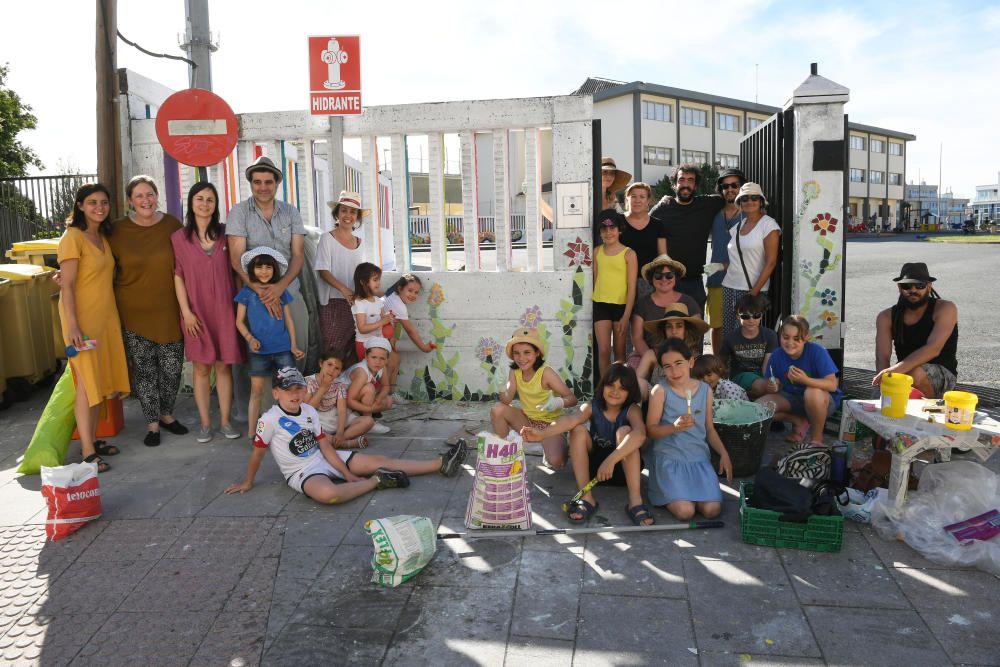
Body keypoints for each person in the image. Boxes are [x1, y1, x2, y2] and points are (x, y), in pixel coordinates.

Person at [224, 366, 468, 505]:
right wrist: (248, 481)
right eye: (288, 390)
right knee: (329, 495)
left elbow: (325, 447)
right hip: (301, 473)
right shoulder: (269, 419)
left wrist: (347, 473)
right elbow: (257, 454)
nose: (295, 394)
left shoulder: (308, 410)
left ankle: (441, 464)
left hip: (325, 457)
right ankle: (377, 481)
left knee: (380, 460)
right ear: (276, 393)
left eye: (298, 388)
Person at [57, 183, 131, 472]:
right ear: (80, 206)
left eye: (103, 202)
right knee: (87, 385)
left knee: (98, 383)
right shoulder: (72, 237)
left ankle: (94, 439)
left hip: (105, 321)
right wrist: (73, 325)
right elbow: (69, 285)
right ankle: (87, 451)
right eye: (92, 202)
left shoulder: (100, 236)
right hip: (83, 325)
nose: (99, 207)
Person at [522, 363, 650, 525]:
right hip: (594, 473)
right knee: (577, 430)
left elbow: (640, 435)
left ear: (630, 392)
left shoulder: (632, 410)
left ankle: (635, 501)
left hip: (622, 470)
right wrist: (542, 433)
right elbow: (570, 420)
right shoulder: (592, 406)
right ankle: (586, 496)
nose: (615, 391)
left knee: (625, 432)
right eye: (611, 385)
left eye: (622, 388)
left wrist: (610, 460)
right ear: (602, 386)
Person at [110, 175, 186, 447]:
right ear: (130, 200)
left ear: (157, 196)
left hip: (170, 309)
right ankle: (152, 424)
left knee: (171, 369)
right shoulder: (116, 230)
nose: (145, 200)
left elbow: (188, 261)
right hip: (133, 311)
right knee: (144, 372)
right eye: (139, 195)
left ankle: (167, 414)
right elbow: (96, 260)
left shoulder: (172, 225)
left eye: (150, 194)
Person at [172, 182, 245, 443]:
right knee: (201, 368)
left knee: (224, 367)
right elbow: (178, 276)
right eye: (200, 199)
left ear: (216, 205)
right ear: (191, 203)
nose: (205, 204)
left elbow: (237, 272)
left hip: (225, 310)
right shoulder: (179, 238)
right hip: (196, 313)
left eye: (210, 199)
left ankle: (225, 421)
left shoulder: (227, 234)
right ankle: (205, 424)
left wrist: (240, 310)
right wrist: (186, 313)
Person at [227, 156, 309, 367]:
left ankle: (293, 397)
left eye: (268, 182)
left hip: (288, 289)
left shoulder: (290, 211)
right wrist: (262, 291)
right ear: (251, 183)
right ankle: (261, 401)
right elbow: (236, 259)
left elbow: (298, 255)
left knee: (297, 345)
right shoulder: (239, 212)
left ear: (277, 183)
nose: (263, 187)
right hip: (254, 294)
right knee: (258, 354)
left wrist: (279, 288)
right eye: (257, 182)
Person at [645, 338, 732, 520]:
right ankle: (671, 492)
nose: (674, 371)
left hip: (698, 459)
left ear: (691, 362)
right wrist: (672, 427)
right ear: (662, 368)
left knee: (712, 510)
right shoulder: (660, 391)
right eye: (667, 366)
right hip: (670, 459)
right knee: (686, 512)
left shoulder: (705, 390)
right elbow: (651, 430)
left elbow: (709, 429)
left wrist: (723, 453)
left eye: (679, 363)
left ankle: (689, 494)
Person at [235, 247, 305, 436]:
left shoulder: (280, 292)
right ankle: (252, 433)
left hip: (283, 349)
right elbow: (239, 322)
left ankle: (289, 430)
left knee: (289, 390)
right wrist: (250, 339)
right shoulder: (247, 292)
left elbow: (289, 320)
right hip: (258, 351)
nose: (264, 271)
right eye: (259, 267)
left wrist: (293, 345)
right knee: (256, 392)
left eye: (268, 267)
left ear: (275, 270)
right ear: (252, 270)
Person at [490, 328, 577, 469]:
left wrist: (558, 402)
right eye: (516, 353)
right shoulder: (515, 370)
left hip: (550, 425)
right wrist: (501, 387)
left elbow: (572, 399)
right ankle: (504, 455)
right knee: (497, 410)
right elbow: (506, 401)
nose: (521, 358)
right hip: (528, 421)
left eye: (527, 352)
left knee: (556, 462)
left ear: (537, 353)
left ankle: (553, 443)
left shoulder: (546, 372)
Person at [873, 262, 958, 398]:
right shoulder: (886, 316)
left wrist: (893, 371)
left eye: (919, 286)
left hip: (941, 373)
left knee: (914, 375)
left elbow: (933, 348)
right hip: (904, 372)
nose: (913, 290)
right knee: (882, 396)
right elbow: (882, 356)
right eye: (907, 286)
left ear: (929, 286)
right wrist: (882, 383)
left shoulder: (945, 308)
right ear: (899, 287)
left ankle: (934, 408)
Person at [755, 315, 842, 447]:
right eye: (786, 337)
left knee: (812, 392)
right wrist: (774, 386)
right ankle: (798, 421)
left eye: (796, 338)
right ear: (780, 335)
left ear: (806, 337)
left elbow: (832, 385)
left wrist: (805, 380)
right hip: (792, 397)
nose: (790, 343)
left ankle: (816, 440)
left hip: (821, 401)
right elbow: (773, 384)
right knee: (758, 408)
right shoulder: (776, 355)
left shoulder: (816, 351)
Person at [650, 164, 724, 314]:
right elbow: (643, 225)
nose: (685, 184)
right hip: (667, 280)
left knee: (696, 331)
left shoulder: (707, 204)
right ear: (674, 184)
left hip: (694, 281)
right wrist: (657, 204)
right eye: (681, 179)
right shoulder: (663, 208)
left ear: (695, 185)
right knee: (668, 330)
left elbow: (733, 199)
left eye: (690, 180)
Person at [719, 182, 781, 335]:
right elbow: (737, 259)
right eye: (745, 199)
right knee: (730, 334)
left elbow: (771, 262)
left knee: (748, 335)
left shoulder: (768, 225)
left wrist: (753, 292)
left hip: (752, 290)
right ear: (740, 203)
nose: (750, 201)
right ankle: (730, 360)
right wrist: (720, 266)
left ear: (761, 201)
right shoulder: (737, 227)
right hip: (729, 286)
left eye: (754, 198)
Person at [315, 191, 368, 360]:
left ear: (357, 217)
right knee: (332, 351)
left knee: (354, 351)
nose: (348, 215)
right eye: (344, 210)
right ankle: (328, 386)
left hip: (356, 304)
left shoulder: (361, 243)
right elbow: (323, 271)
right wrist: (344, 290)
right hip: (332, 303)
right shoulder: (326, 239)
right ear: (336, 213)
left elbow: (362, 273)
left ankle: (348, 386)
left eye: (353, 212)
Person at [704, 168, 746, 353]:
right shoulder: (713, 212)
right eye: (725, 186)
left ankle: (737, 369)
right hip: (717, 279)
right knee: (717, 326)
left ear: (741, 187)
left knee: (742, 326)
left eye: (734, 185)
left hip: (742, 281)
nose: (730, 189)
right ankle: (717, 367)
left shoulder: (751, 212)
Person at [592, 210, 637, 379]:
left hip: (621, 307)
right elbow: (596, 280)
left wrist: (626, 316)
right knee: (603, 350)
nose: (608, 232)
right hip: (601, 305)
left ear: (619, 230)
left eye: (612, 228)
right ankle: (604, 387)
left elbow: (631, 287)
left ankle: (620, 386)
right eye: (604, 228)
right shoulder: (597, 252)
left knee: (619, 353)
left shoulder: (629, 254)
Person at [630, 254, 701, 360]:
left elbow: (696, 334)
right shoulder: (642, 304)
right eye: (658, 275)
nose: (664, 279)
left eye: (669, 275)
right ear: (651, 278)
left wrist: (681, 358)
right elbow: (637, 338)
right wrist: (653, 360)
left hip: (683, 355)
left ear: (675, 277)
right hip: (651, 355)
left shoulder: (689, 302)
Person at [635, 303, 710, 398]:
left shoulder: (694, 355)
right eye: (669, 327)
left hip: (686, 401)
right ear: (664, 330)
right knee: (638, 383)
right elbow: (637, 379)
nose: (674, 331)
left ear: (686, 329)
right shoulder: (652, 354)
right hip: (656, 398)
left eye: (679, 326)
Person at [304, 349, 373, 449]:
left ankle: (338, 440)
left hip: (334, 417)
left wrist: (340, 432)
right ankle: (346, 444)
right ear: (321, 363)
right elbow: (308, 410)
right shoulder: (309, 381)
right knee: (305, 429)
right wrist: (323, 388)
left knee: (368, 421)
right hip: (317, 418)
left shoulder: (339, 385)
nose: (331, 370)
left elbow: (341, 410)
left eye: (337, 368)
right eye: (329, 364)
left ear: (340, 372)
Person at [383, 273, 437, 400]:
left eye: (416, 292)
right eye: (410, 290)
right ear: (400, 288)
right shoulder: (399, 306)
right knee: (391, 362)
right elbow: (410, 331)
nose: (413, 295)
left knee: (395, 358)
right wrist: (424, 348)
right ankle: (384, 394)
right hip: (375, 336)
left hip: (382, 335)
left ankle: (391, 393)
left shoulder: (391, 294)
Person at [718, 292, 778, 399]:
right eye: (745, 316)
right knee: (762, 387)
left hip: (761, 374)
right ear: (737, 316)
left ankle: (746, 398)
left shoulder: (770, 335)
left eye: (756, 315)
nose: (751, 320)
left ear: (761, 315)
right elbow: (720, 363)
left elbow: (767, 365)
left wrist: (770, 382)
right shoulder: (730, 337)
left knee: (772, 386)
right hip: (739, 376)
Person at [620, 182, 664, 300]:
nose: (637, 200)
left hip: (649, 283)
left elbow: (663, 256)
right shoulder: (617, 222)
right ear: (627, 199)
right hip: (620, 281)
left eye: (642, 197)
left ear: (648, 201)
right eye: (633, 196)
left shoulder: (658, 225)